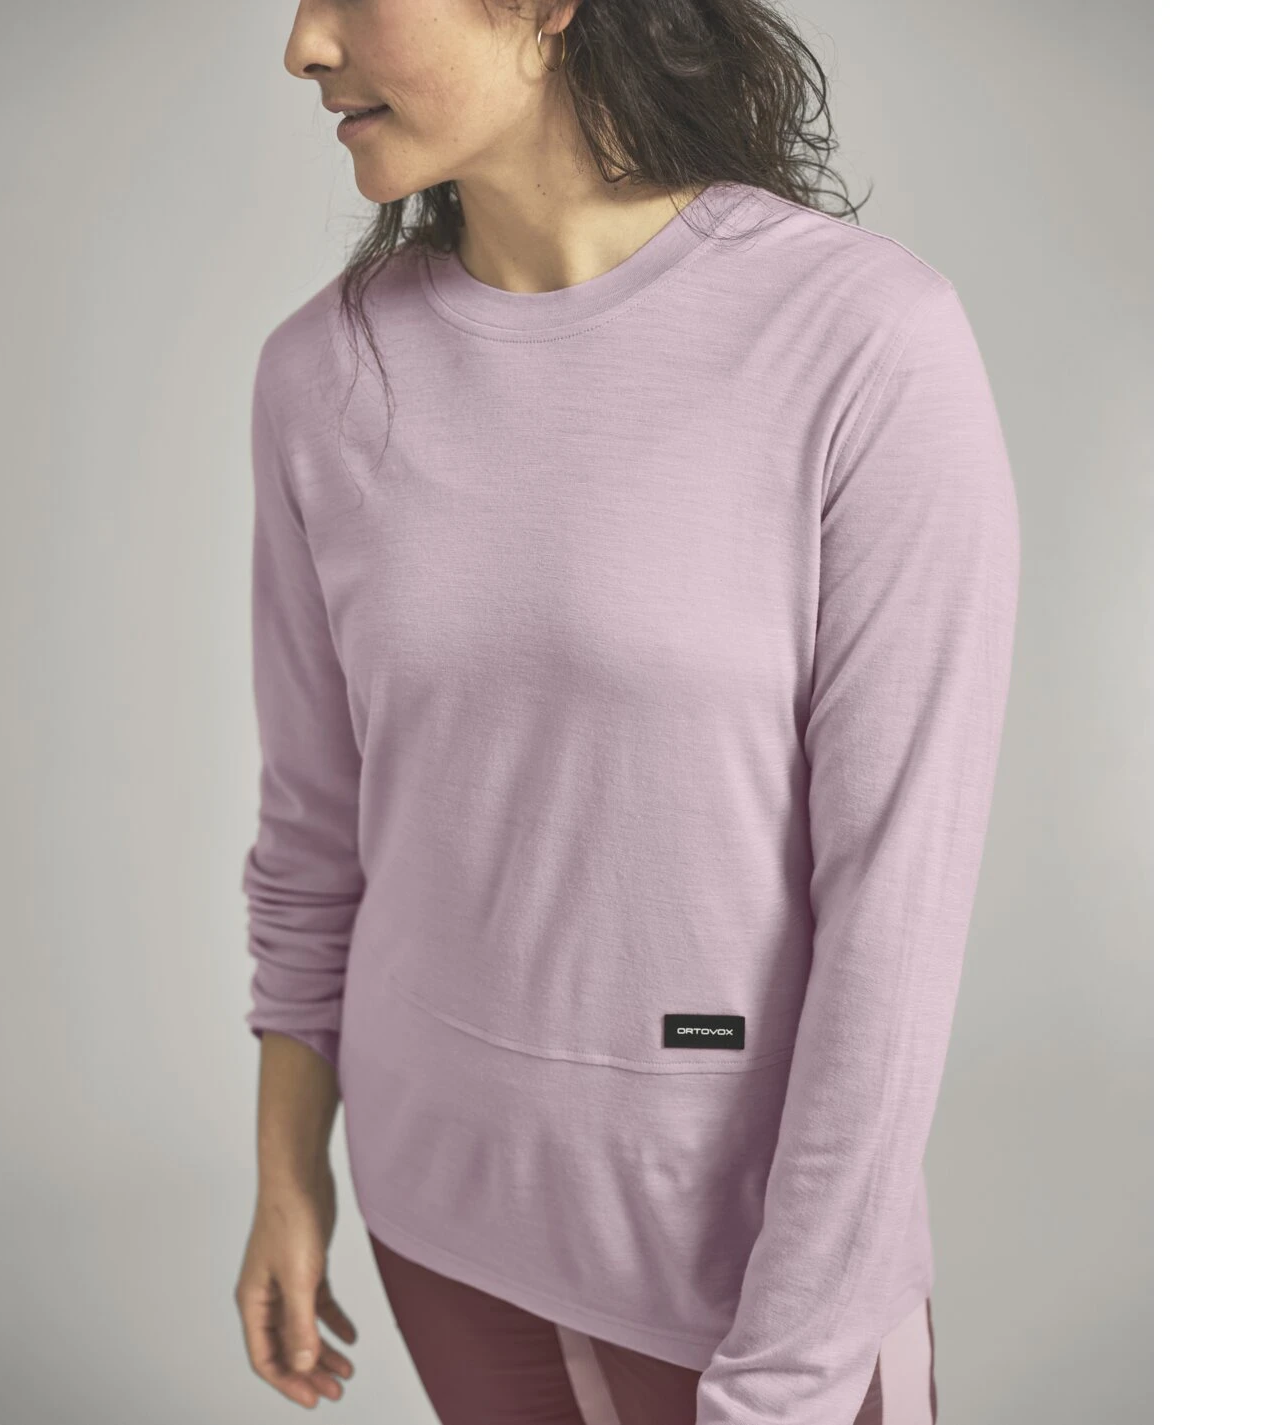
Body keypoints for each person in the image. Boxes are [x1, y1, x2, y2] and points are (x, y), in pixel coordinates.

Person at [233, 2, 1020, 1422]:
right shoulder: (320, 375)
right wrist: (289, 1179)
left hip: (743, 1266)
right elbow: (314, 827)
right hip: (440, 1223)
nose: (304, 43)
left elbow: (892, 920)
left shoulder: (860, 340)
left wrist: (793, 1371)